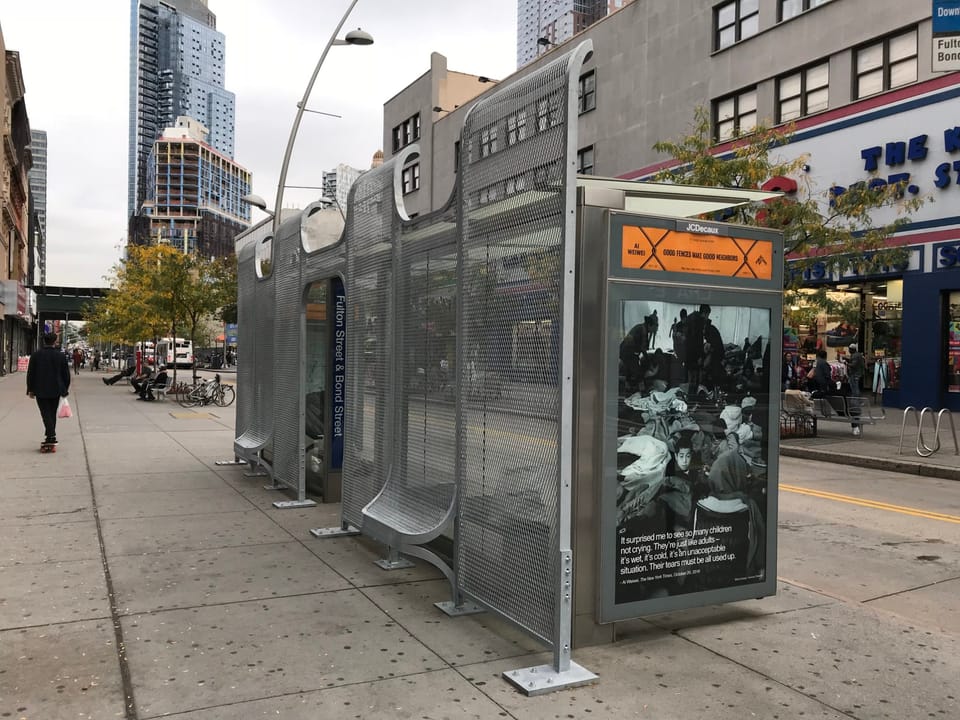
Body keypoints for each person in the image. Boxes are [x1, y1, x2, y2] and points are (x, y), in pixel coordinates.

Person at [26, 332, 71, 448]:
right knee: (51, 413)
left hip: (40, 388)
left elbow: (31, 373)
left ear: (44, 341)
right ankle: (50, 436)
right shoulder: (60, 356)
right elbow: (66, 374)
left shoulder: (36, 355)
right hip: (56, 388)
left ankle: (51, 435)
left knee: (45, 413)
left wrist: (30, 388)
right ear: (55, 341)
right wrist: (65, 388)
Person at [845, 343, 866, 436]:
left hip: (855, 375)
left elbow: (853, 365)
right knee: (855, 387)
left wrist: (846, 363)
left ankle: (856, 400)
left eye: (849, 349)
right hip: (857, 374)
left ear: (851, 349)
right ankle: (857, 399)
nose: (849, 350)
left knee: (855, 388)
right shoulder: (856, 355)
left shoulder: (856, 356)